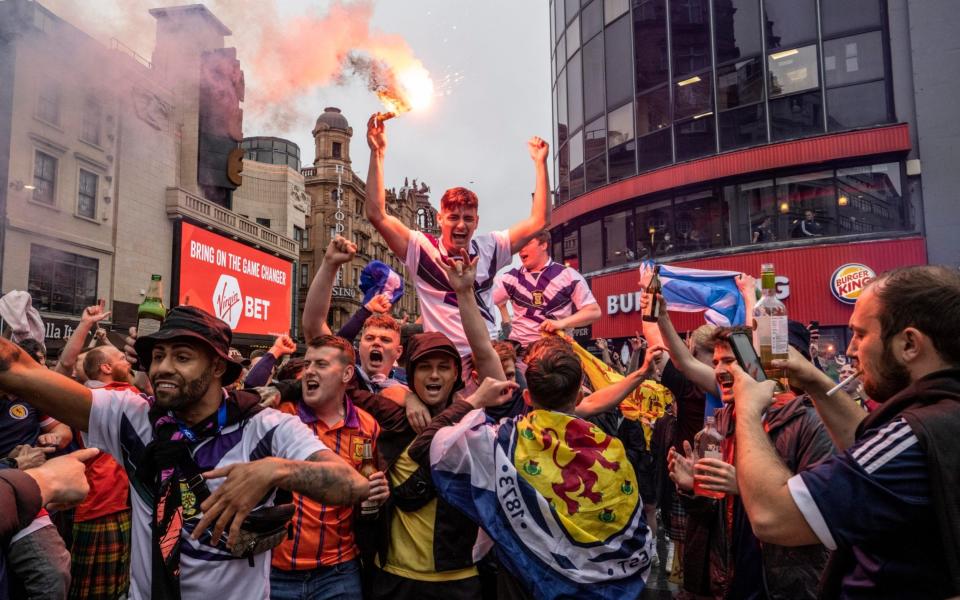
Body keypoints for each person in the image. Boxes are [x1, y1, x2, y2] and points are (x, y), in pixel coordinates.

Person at [0, 305, 373, 599]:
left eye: (181, 356)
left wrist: (275, 471)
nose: (163, 367)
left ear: (216, 366)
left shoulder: (263, 428)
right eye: (158, 355)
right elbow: (18, 369)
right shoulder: (133, 418)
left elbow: (351, 484)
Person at [730, 265, 960, 598]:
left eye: (861, 334)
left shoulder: (914, 434)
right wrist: (813, 380)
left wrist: (748, 411)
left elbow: (773, 517)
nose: (851, 350)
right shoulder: (939, 414)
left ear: (909, 344)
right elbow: (869, 450)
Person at [666, 325, 833, 599]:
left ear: (759, 364)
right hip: (730, 579)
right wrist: (694, 487)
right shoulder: (719, 423)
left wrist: (743, 484)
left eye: (729, 361)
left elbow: (820, 518)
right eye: (716, 361)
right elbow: (713, 512)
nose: (718, 370)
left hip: (784, 586)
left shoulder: (810, 424)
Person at [364, 113, 550, 357]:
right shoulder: (421, 249)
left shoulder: (491, 247)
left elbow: (540, 221)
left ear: (477, 222)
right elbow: (377, 215)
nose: (461, 225)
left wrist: (540, 164)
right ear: (440, 219)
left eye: (468, 218)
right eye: (453, 217)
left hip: (487, 357)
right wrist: (377, 153)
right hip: (443, 359)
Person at [270, 335, 390, 600]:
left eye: (321, 364)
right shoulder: (281, 414)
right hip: (276, 571)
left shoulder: (366, 425)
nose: (310, 370)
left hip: (338, 573)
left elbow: (367, 486)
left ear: (347, 373)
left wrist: (378, 492)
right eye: (308, 363)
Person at [1, 338, 73, 600]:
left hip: (26, 496)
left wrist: (54, 438)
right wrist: (12, 464)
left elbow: (61, 429)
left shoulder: (29, 395)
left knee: (54, 574)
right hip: (5, 487)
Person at [66, 345, 138, 600]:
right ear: (106, 368)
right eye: (122, 359)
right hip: (101, 503)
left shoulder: (90, 394)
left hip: (109, 501)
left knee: (105, 586)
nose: (128, 362)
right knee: (98, 589)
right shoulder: (116, 394)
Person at [302, 236, 410, 402]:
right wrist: (330, 264)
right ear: (359, 347)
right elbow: (314, 323)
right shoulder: (346, 377)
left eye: (386, 340)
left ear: (398, 352)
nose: (376, 343)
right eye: (369, 338)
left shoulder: (408, 384)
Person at [491, 230, 600, 349]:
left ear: (543, 245)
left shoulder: (569, 275)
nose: (521, 249)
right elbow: (479, 301)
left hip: (557, 354)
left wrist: (561, 323)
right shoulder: (510, 278)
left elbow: (594, 311)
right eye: (520, 245)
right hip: (522, 355)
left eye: (527, 243)